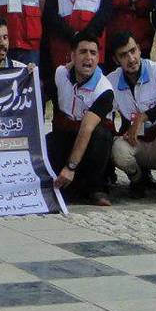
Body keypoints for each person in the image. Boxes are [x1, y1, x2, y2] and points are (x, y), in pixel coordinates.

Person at [107, 31, 156, 205]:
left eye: (133, 51)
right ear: (116, 60)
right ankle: (138, 179)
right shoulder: (111, 81)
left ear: (139, 49)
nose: (131, 58)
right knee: (117, 148)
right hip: (137, 144)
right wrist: (120, 133)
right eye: (123, 55)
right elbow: (106, 117)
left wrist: (144, 117)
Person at [46, 32, 115, 206]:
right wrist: (29, 73)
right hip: (68, 136)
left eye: (93, 53)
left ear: (98, 58)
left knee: (101, 136)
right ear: (72, 56)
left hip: (92, 143)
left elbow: (87, 128)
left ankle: (96, 188)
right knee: (49, 141)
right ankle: (66, 186)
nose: (88, 57)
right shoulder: (60, 74)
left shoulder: (104, 89)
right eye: (83, 52)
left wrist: (70, 167)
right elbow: (41, 93)